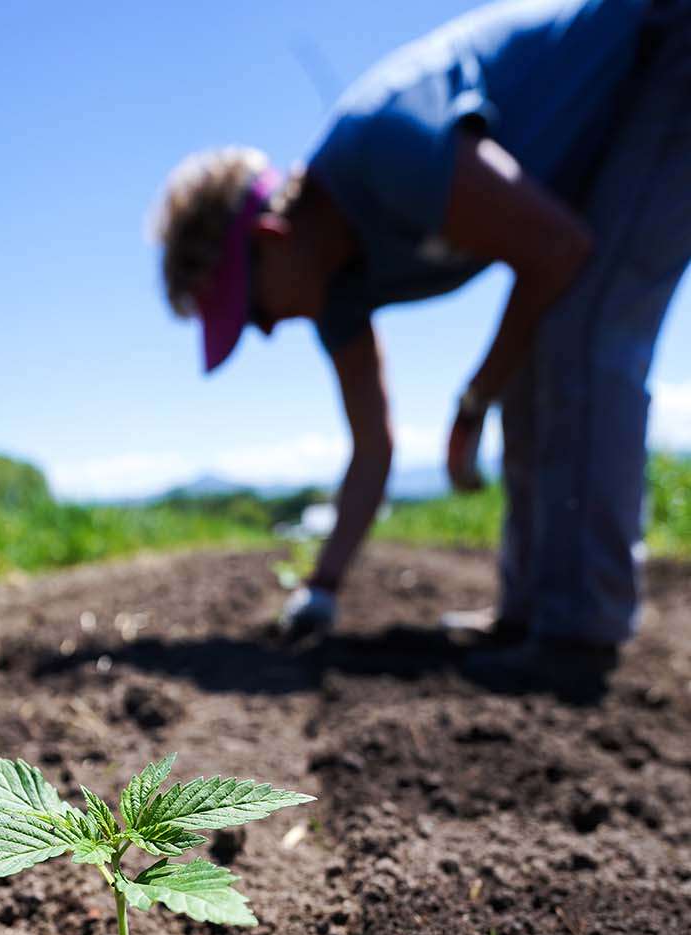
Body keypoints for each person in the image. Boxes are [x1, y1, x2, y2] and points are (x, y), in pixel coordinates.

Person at [151, 0, 691, 687]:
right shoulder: (334, 291)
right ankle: (529, 614)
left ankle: (579, 636)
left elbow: (556, 249)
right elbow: (373, 447)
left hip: (662, 48)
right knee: (539, 347)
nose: (264, 330)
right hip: (603, 135)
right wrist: (322, 586)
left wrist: (474, 401)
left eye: (252, 310)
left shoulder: (387, 145)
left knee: (582, 329)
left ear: (270, 240)